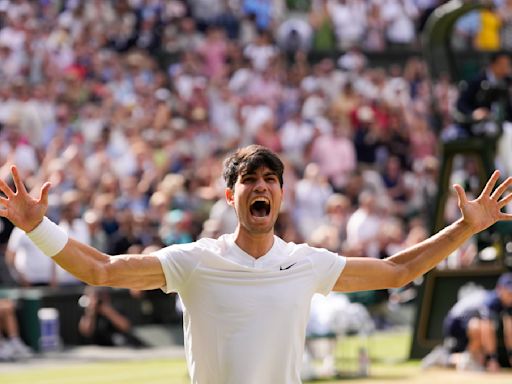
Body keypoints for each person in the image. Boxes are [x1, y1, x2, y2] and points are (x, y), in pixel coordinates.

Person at [0, 144, 511, 383]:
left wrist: (466, 226)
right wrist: (36, 227)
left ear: (282, 195)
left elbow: (398, 270)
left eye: (270, 178)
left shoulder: (307, 262)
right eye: (250, 179)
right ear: (231, 195)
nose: (261, 186)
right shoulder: (195, 261)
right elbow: (103, 270)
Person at [423, 274, 512, 372]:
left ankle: (447, 358)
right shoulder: (491, 300)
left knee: (477, 358)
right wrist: (493, 359)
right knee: (479, 327)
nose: (511, 296)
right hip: (455, 323)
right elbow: (487, 330)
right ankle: (446, 358)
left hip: (467, 324)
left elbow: (509, 331)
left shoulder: (507, 305)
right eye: (509, 292)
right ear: (500, 289)